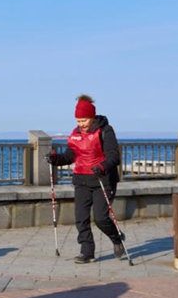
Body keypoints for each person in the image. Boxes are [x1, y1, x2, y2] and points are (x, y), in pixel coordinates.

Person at [47, 94, 123, 264]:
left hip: (102, 179)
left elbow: (114, 156)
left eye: (84, 120)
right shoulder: (75, 133)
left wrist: (101, 166)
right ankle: (87, 252)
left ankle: (117, 238)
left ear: (92, 117)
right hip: (81, 180)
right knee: (81, 219)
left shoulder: (105, 131)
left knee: (101, 219)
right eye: (78, 121)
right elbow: (70, 155)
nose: (81, 124)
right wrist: (55, 159)